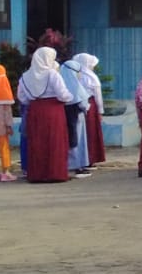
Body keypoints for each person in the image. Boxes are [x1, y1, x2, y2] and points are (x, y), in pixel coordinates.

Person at [18, 46, 77, 183]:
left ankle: (37, 174)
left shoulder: (25, 76)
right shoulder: (52, 74)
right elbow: (63, 94)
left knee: (37, 141)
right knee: (54, 141)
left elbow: (22, 97)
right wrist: (71, 97)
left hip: (35, 110)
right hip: (53, 110)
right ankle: (55, 173)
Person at [59, 54, 99, 177]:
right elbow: (83, 102)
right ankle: (77, 166)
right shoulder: (75, 85)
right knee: (77, 140)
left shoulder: (61, 84)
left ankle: (67, 165)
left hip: (63, 115)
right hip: (77, 116)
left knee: (68, 139)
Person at [73, 54, 107, 169]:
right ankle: (91, 159)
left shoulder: (75, 75)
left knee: (81, 133)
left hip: (77, 105)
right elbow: (98, 96)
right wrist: (100, 111)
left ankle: (81, 160)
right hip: (90, 106)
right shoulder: (92, 77)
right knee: (91, 132)